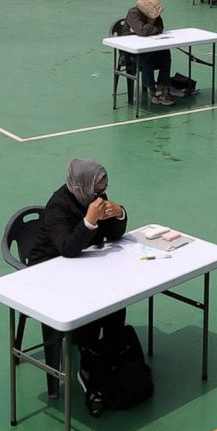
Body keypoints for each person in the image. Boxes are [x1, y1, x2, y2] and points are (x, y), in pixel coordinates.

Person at [26, 159, 129, 398]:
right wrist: (89, 221)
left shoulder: (93, 198)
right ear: (82, 187)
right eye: (98, 190)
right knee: (89, 308)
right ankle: (88, 359)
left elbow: (113, 236)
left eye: (104, 189)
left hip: (81, 268)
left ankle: (110, 355)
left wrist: (119, 213)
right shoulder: (58, 208)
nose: (101, 195)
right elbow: (68, 248)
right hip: (47, 271)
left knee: (115, 303)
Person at [124, 0, 174, 106]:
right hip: (131, 52)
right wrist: (151, 23)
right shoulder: (133, 14)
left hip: (150, 48)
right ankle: (152, 91)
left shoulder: (156, 15)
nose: (156, 17)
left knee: (166, 55)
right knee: (147, 61)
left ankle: (160, 89)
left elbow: (160, 28)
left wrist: (142, 29)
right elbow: (142, 31)